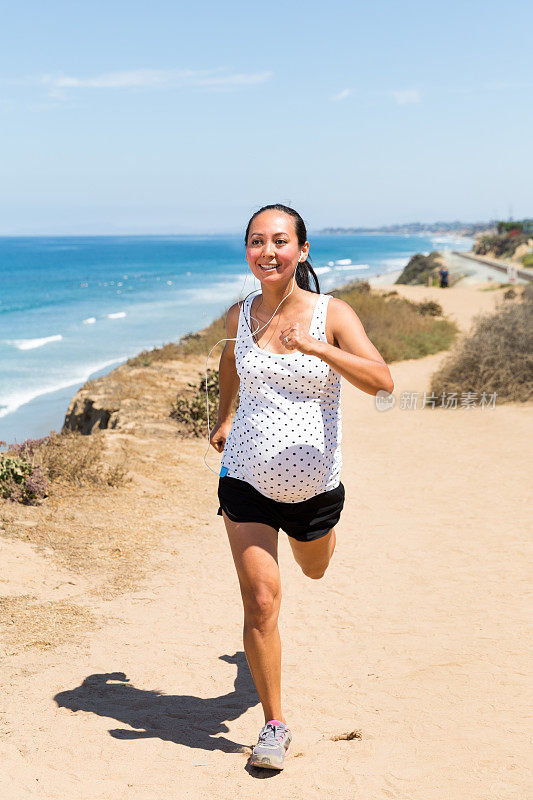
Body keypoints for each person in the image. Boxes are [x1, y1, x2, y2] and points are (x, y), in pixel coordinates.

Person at [209, 203, 394, 770]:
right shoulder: (241, 314)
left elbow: (383, 382)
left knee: (313, 567)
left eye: (280, 241)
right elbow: (230, 360)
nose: (268, 251)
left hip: (314, 489)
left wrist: (316, 347)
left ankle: (322, 537)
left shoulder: (331, 313)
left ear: (302, 250)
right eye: (257, 241)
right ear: (247, 251)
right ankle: (273, 724)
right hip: (245, 480)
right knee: (262, 600)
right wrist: (222, 416)